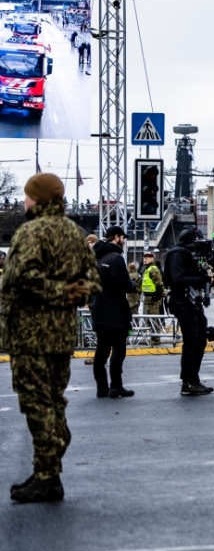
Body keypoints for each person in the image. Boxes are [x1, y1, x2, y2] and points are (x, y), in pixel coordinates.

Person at [0, 173, 99, 503]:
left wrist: (57, 291)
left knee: (36, 403)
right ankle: (49, 467)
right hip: (62, 334)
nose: (24, 201)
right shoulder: (75, 232)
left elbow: (19, 277)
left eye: (27, 195)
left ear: (38, 199)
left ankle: (47, 473)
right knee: (54, 401)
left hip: (31, 334)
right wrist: (73, 292)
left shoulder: (30, 232)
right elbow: (93, 281)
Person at [163, 228, 213, 396]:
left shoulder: (188, 255)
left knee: (200, 341)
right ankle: (188, 382)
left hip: (192, 303)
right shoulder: (178, 254)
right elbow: (178, 279)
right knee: (192, 342)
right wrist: (202, 279)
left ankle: (194, 379)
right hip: (182, 303)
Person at [90, 226, 135, 399]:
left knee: (101, 351)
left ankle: (102, 389)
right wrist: (132, 285)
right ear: (116, 237)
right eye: (123, 237)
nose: (124, 241)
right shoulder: (116, 258)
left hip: (98, 310)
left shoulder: (95, 258)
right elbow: (122, 285)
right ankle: (116, 387)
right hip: (115, 311)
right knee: (118, 350)